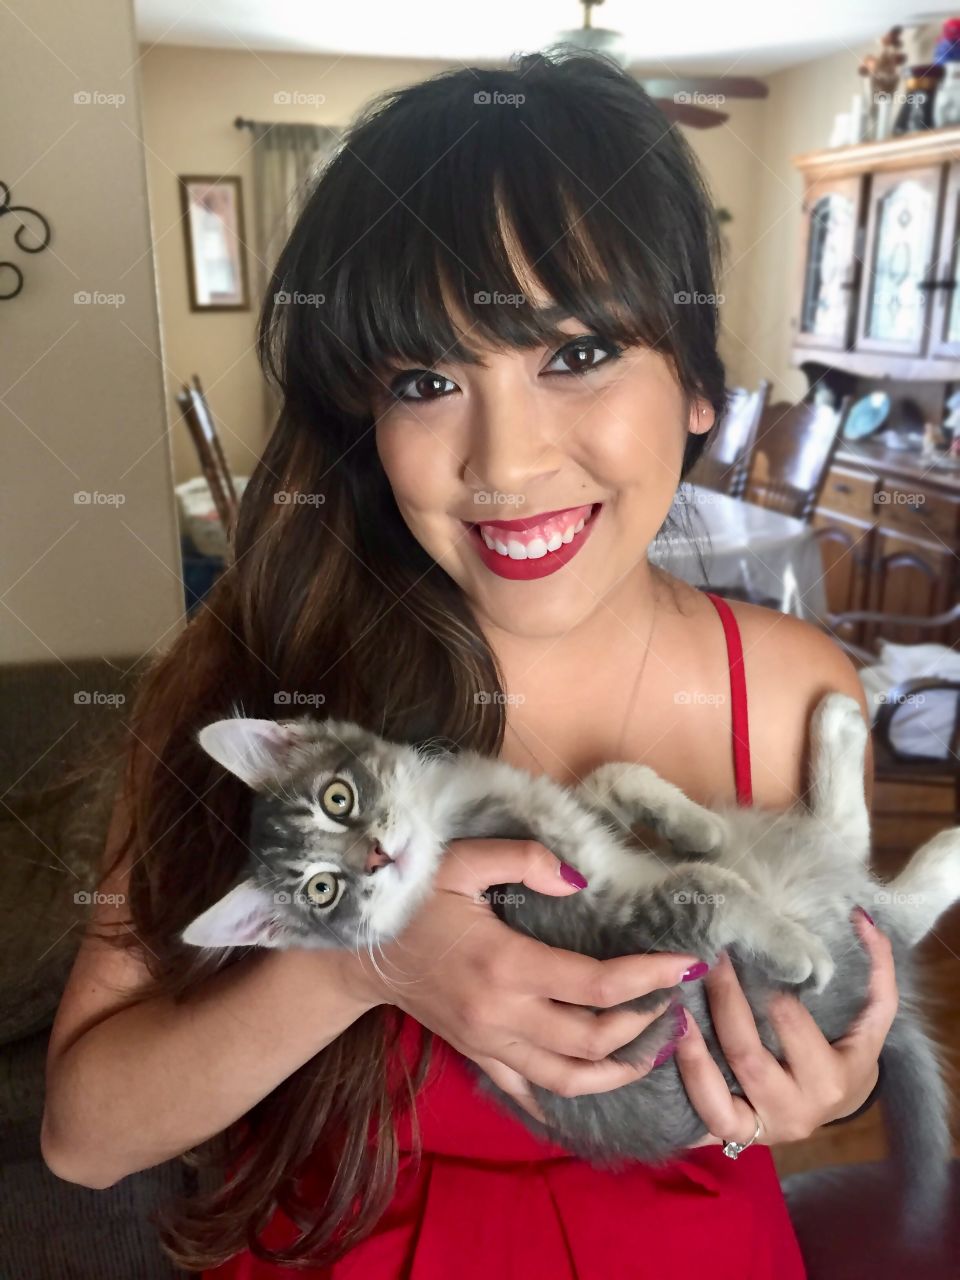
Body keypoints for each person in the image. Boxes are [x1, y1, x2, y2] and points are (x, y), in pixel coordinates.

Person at [41, 50, 895, 1279]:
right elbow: (81, 1133)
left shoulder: (806, 697)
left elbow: (823, 1025)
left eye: (578, 351)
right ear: (366, 421)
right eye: (428, 380)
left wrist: (831, 1075)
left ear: (700, 383)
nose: (506, 458)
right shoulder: (256, 681)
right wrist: (363, 968)